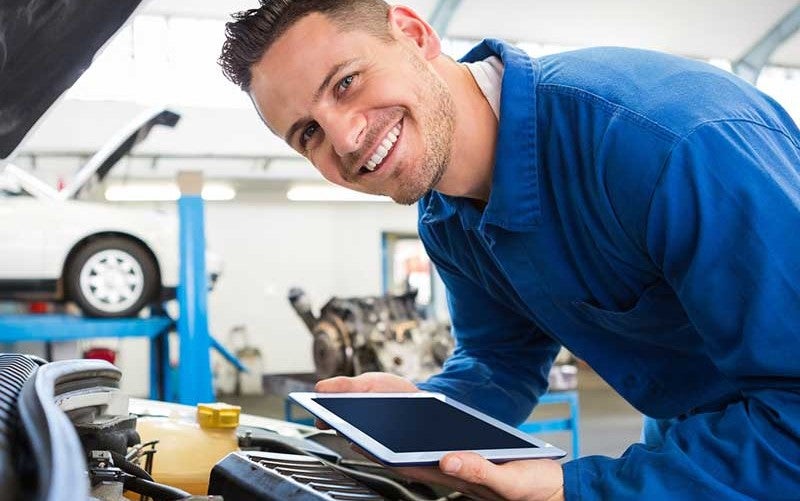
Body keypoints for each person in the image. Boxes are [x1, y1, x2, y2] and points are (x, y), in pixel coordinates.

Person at [219, 1, 800, 499]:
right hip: (699, 447)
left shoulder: (665, 144)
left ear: (415, 35)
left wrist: (575, 489)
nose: (344, 139)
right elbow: (501, 360)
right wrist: (418, 415)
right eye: (309, 134)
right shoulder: (444, 215)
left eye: (346, 82)